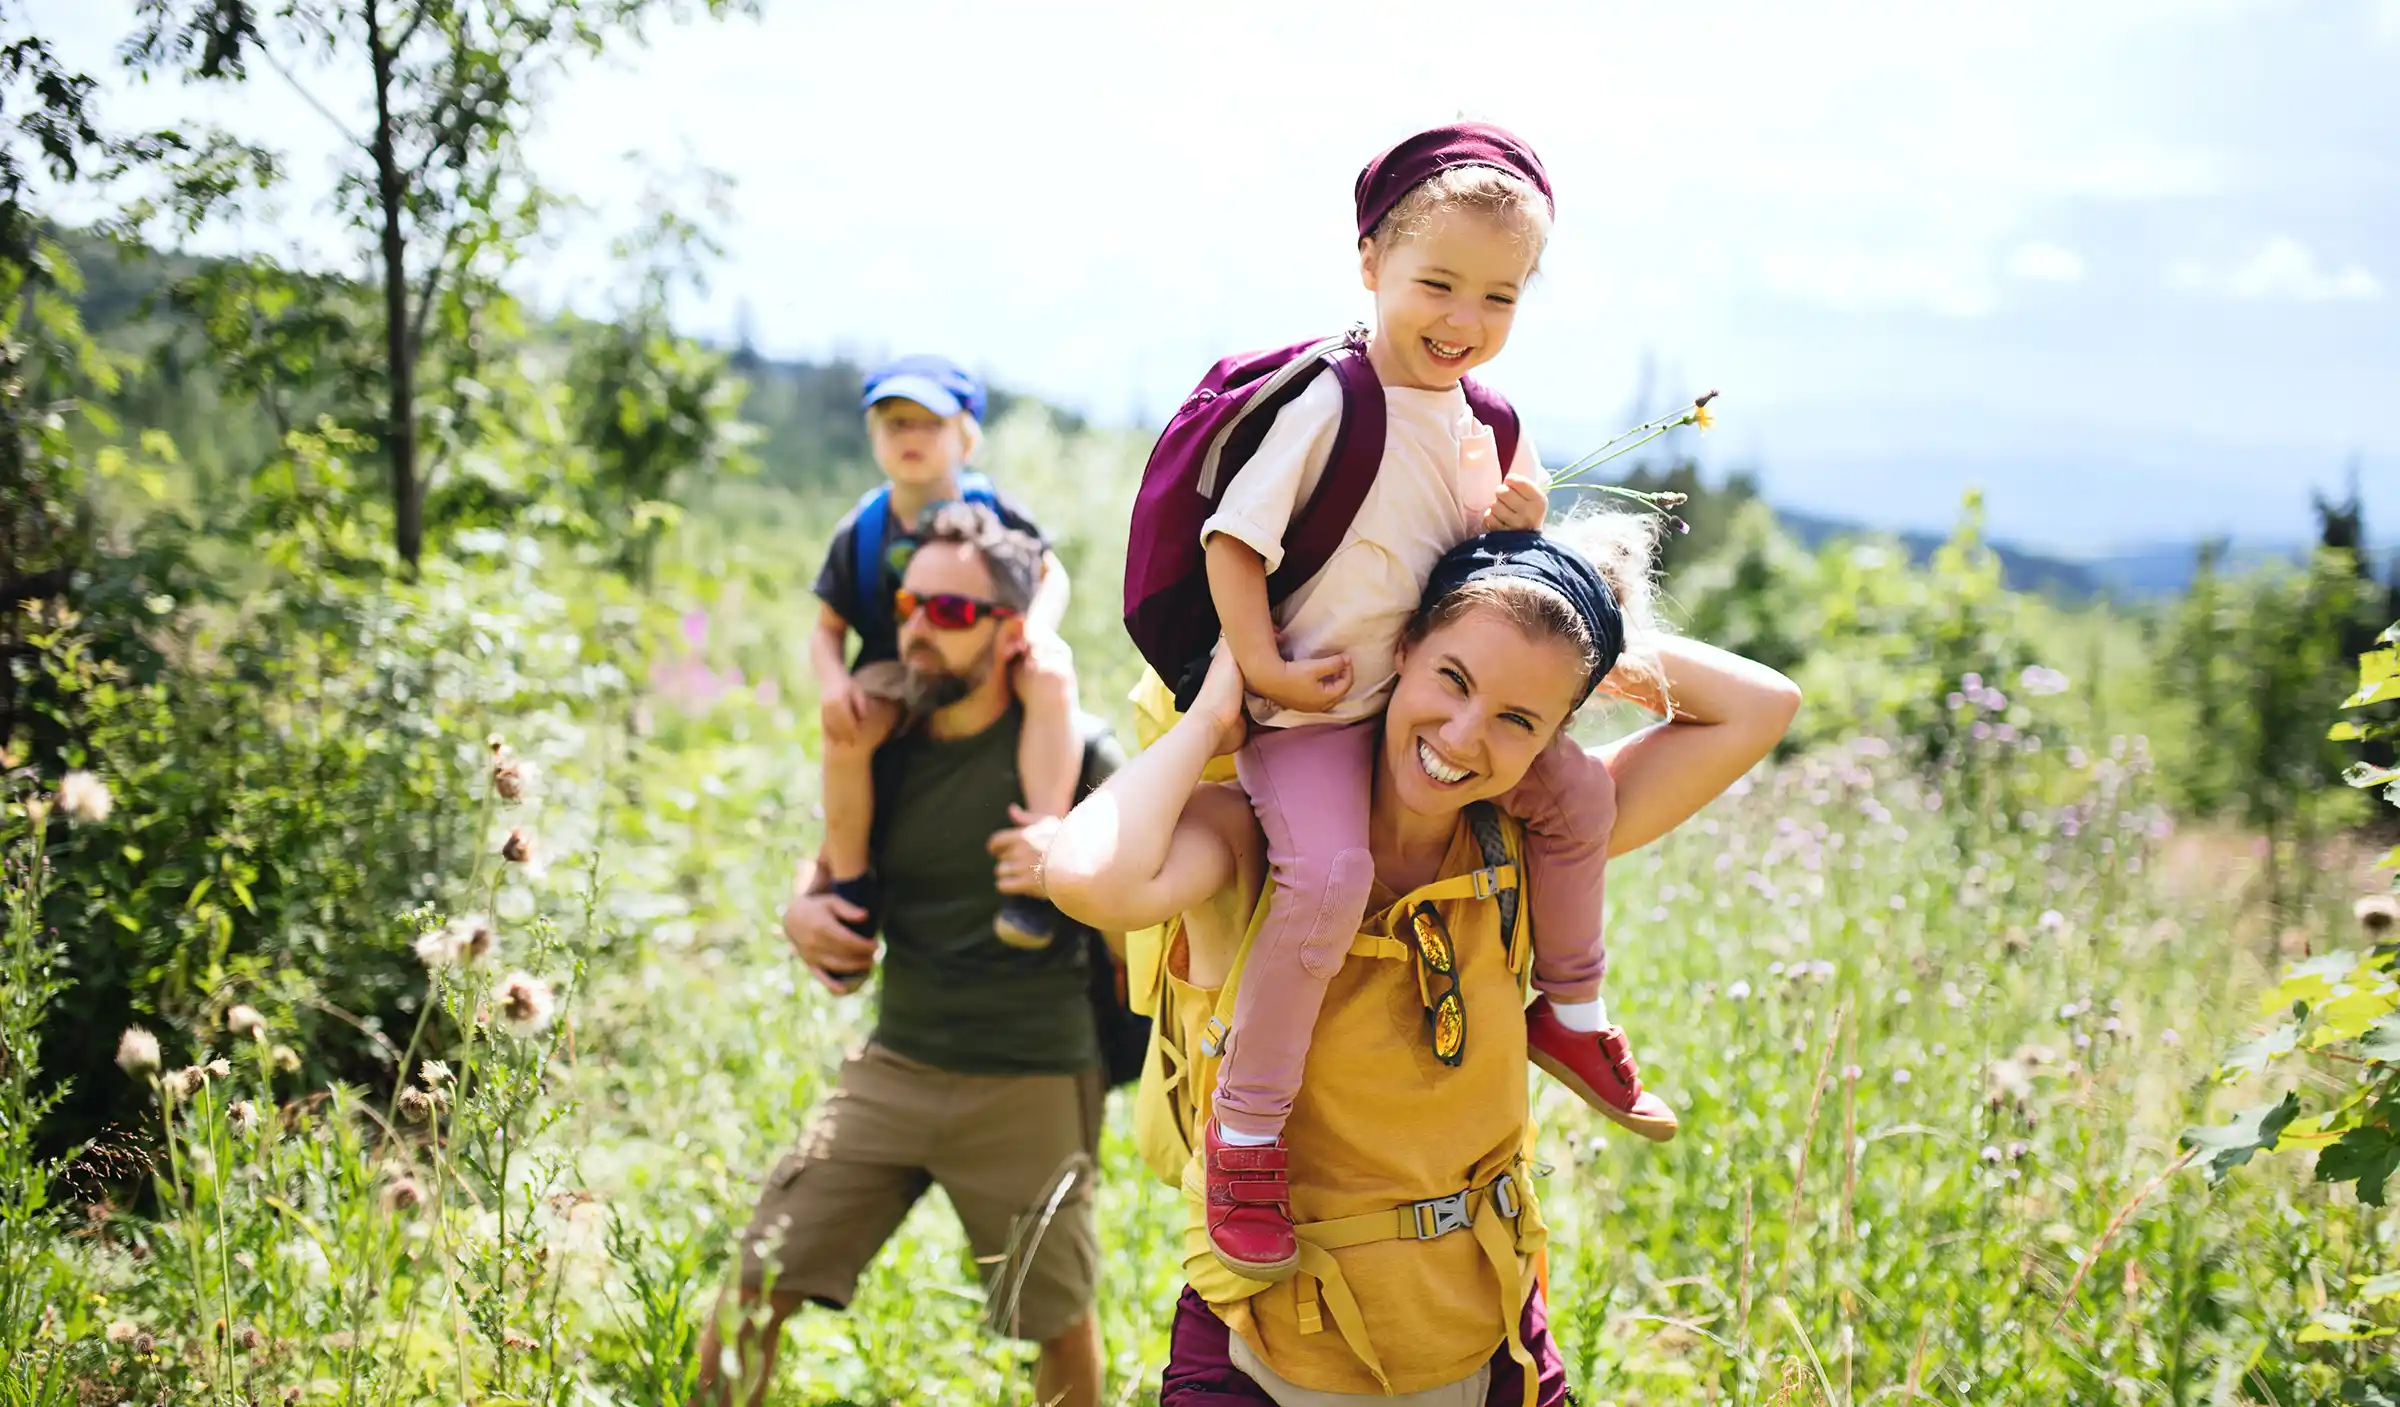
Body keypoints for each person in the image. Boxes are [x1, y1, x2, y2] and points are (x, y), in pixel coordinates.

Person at [1045, 523, 1801, 1404]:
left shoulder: (1532, 844)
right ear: (1398, 648)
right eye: (1454, 677)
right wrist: (1216, 715)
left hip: (1490, 1348)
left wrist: (1566, 618)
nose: (1466, 733)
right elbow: (1087, 877)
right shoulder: (1253, 835)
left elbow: (1763, 705)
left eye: (1519, 718)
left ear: (1554, 734)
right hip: (1263, 1353)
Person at [1185, 121, 1670, 1282]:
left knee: (1575, 802)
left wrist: (1515, 516)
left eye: (1498, 297)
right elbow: (1233, 542)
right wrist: (1260, 669)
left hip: (1420, 701)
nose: (1464, 318)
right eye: (1437, 284)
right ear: (1370, 265)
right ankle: (1246, 1134)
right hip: (1314, 710)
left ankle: (1573, 1006)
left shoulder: (1485, 420)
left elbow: (1500, 553)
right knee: (1331, 876)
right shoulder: (1331, 401)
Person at [697, 505, 1122, 1407]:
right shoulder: (884, 742)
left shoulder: (1079, 754)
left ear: (1012, 633)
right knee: (751, 1285)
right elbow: (825, 873)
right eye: (910, 604)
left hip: (1032, 1075)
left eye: (953, 612)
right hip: (896, 1065)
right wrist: (798, 914)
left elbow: (1147, 913)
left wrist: (1074, 876)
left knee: (1057, 1320)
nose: (920, 628)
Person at [810, 354, 1082, 951]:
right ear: (873, 436)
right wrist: (834, 684)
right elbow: (827, 627)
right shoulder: (861, 529)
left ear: (966, 437)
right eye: (894, 423)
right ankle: (852, 883)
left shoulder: (996, 510)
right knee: (847, 734)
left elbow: (1050, 573)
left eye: (929, 424)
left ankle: (1035, 854)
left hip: (990, 654)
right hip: (895, 664)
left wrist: (1036, 629)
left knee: (1052, 677)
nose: (911, 438)